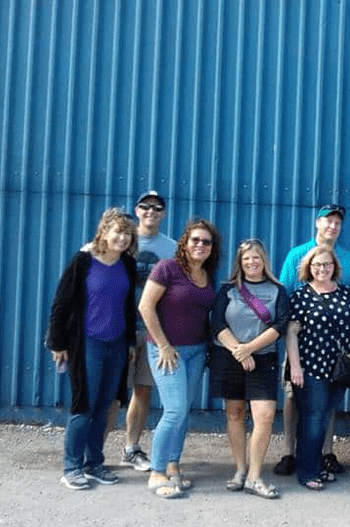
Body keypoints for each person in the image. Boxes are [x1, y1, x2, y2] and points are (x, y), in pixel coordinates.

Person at [274, 204, 350, 477]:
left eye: (337, 223)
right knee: (293, 397)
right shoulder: (296, 254)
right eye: (328, 221)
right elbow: (285, 296)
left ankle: (325, 452)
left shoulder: (349, 260)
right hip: (302, 347)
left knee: (326, 403)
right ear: (317, 223)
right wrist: (289, 343)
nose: (332, 226)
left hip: (335, 349)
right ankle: (290, 452)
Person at [47, 208, 138, 490]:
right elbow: (61, 303)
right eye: (117, 232)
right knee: (83, 405)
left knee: (105, 405)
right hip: (87, 343)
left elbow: (128, 307)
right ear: (104, 232)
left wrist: (131, 341)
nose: (122, 238)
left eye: (127, 233)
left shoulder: (128, 265)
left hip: (117, 344)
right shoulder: (83, 261)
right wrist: (58, 343)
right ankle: (71, 467)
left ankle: (94, 463)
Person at [138, 218, 220, 499]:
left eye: (206, 242)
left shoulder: (208, 275)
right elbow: (145, 306)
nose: (200, 245)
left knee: (183, 410)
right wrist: (162, 345)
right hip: (166, 351)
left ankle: (173, 464)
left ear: (212, 248)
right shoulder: (167, 269)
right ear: (184, 243)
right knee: (173, 411)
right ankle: (156, 472)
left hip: (196, 351)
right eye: (195, 240)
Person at [211, 239, 288, 499]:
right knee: (234, 413)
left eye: (256, 258)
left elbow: (280, 325)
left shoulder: (277, 290)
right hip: (229, 356)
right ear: (240, 263)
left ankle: (255, 477)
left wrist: (250, 349)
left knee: (264, 415)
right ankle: (240, 470)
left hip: (263, 359)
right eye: (246, 259)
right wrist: (239, 351)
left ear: (263, 260)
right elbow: (218, 324)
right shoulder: (228, 289)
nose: (251, 262)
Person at [286, 246, 350, 490]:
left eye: (327, 264)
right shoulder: (301, 296)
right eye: (317, 265)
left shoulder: (346, 293)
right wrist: (295, 367)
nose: (322, 269)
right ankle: (307, 471)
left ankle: (315, 465)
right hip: (311, 367)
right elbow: (291, 333)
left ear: (334, 267)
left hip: (339, 368)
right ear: (309, 267)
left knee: (323, 416)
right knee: (313, 419)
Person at [116, 190, 176, 472]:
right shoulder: (121, 241)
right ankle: (91, 455)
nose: (151, 212)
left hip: (152, 330)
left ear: (163, 214)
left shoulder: (173, 249)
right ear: (137, 211)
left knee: (142, 390)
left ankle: (131, 448)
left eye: (157, 208)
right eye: (145, 207)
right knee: (110, 393)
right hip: (118, 328)